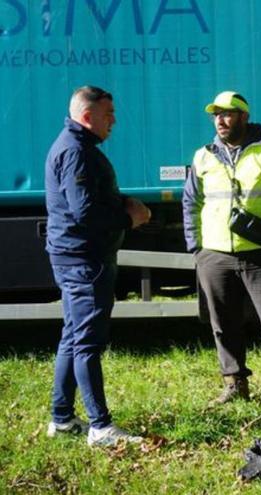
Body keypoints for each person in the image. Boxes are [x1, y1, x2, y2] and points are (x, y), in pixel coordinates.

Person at [182, 91, 261, 413]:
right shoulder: (203, 156)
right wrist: (196, 247)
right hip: (215, 255)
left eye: (227, 114)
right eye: (216, 115)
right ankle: (234, 383)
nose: (220, 121)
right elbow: (191, 202)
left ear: (243, 117)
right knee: (223, 323)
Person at [44, 86, 152, 446]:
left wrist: (123, 200)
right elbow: (86, 213)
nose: (114, 121)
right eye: (109, 114)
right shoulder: (77, 152)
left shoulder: (76, 147)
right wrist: (128, 217)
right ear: (87, 117)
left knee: (73, 337)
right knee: (87, 342)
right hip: (84, 260)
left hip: (74, 256)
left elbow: (88, 198)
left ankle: (61, 419)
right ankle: (100, 427)